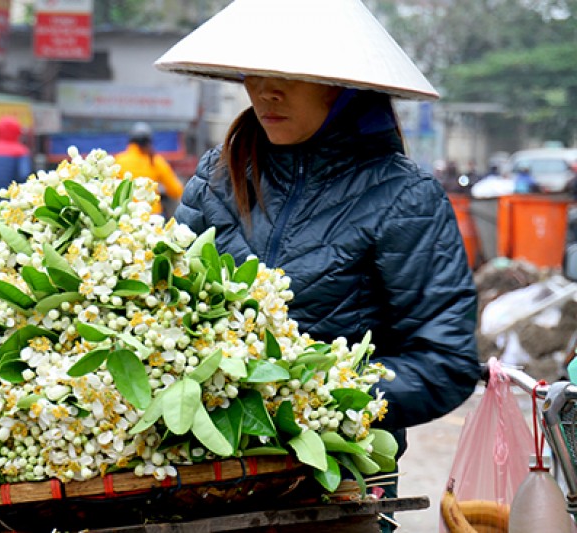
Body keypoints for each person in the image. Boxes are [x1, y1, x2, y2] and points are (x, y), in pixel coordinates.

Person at [156, 0, 480, 530]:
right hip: (204, 481)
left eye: (290, 74)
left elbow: (444, 362)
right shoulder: (217, 177)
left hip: (338, 483)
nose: (265, 90)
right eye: (255, 71)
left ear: (344, 83)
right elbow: (168, 309)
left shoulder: (404, 196)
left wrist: (315, 397)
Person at [114, 122, 184, 216]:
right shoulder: (156, 161)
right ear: (149, 142)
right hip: (151, 216)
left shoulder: (119, 161)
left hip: (127, 216)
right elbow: (176, 191)